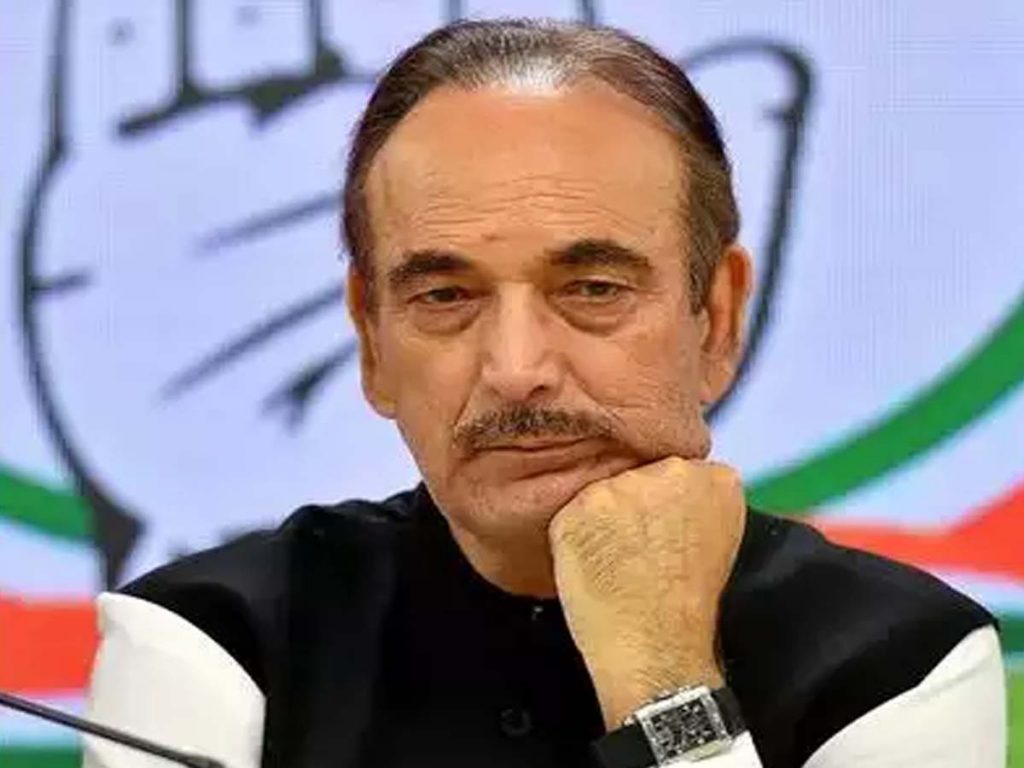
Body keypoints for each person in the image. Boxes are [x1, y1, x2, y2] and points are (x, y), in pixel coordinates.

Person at [84, 18, 1005, 768]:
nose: (516, 366)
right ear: (371, 340)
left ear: (717, 319)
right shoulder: (212, 641)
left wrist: (663, 682)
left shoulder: (899, 661)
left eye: (592, 289)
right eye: (446, 297)